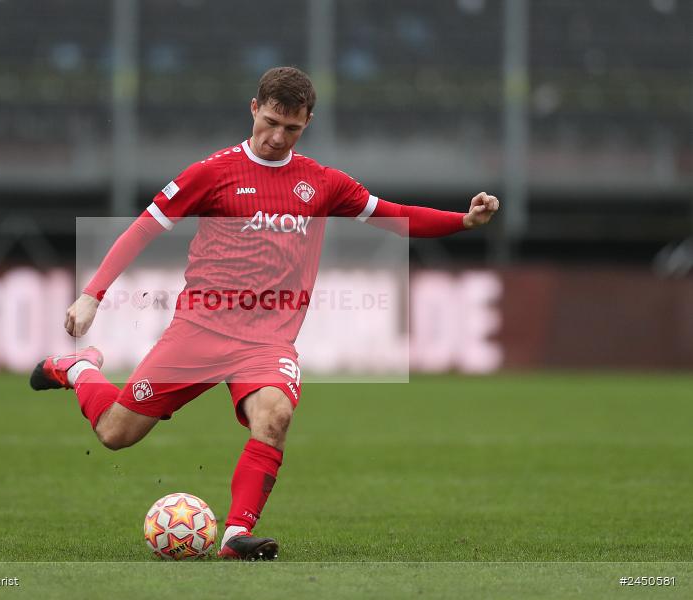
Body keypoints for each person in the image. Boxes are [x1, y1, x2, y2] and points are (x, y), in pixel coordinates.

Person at [30, 66, 499, 560]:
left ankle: (235, 535)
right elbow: (144, 228)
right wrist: (93, 294)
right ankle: (78, 368)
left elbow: (394, 215)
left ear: (307, 123)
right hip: (200, 329)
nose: (277, 137)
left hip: (267, 341)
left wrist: (464, 220)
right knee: (115, 434)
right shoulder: (212, 173)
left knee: (275, 414)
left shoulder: (322, 183)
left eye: (291, 128)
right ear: (254, 109)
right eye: (270, 122)